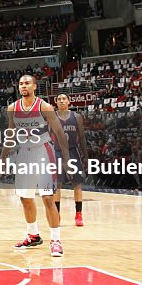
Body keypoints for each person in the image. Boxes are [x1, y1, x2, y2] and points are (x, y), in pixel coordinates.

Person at [2, 75, 70, 258]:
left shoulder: (44, 107)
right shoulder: (12, 108)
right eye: (21, 83)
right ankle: (33, 235)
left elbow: (59, 132)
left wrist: (66, 157)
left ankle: (55, 240)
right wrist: (3, 157)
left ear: (34, 86)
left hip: (43, 151)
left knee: (48, 198)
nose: (23, 85)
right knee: (25, 198)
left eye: (27, 83)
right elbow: (10, 132)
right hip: (23, 152)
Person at [54, 93, 88, 227]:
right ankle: (56, 214)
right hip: (57, 152)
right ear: (56, 102)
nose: (61, 101)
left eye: (64, 99)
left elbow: (82, 137)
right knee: (57, 184)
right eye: (59, 99)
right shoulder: (52, 117)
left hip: (73, 151)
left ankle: (78, 214)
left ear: (69, 101)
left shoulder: (77, 117)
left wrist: (86, 155)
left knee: (77, 183)